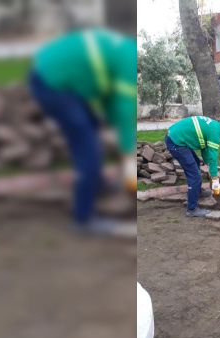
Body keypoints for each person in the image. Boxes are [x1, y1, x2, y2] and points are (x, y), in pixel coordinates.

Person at [29, 28, 137, 236]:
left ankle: (96, 185)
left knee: (92, 128)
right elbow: (124, 109)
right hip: (53, 83)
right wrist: (128, 152)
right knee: (88, 148)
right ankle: (83, 218)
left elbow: (111, 103)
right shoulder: (129, 62)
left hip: (58, 77)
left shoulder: (124, 51)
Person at [165, 116, 220, 217]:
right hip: (176, 142)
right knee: (195, 176)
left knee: (195, 162)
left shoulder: (214, 126)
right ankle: (192, 209)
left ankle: (197, 192)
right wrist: (214, 177)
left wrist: (207, 164)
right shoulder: (215, 132)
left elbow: (204, 147)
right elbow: (213, 156)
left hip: (178, 137)